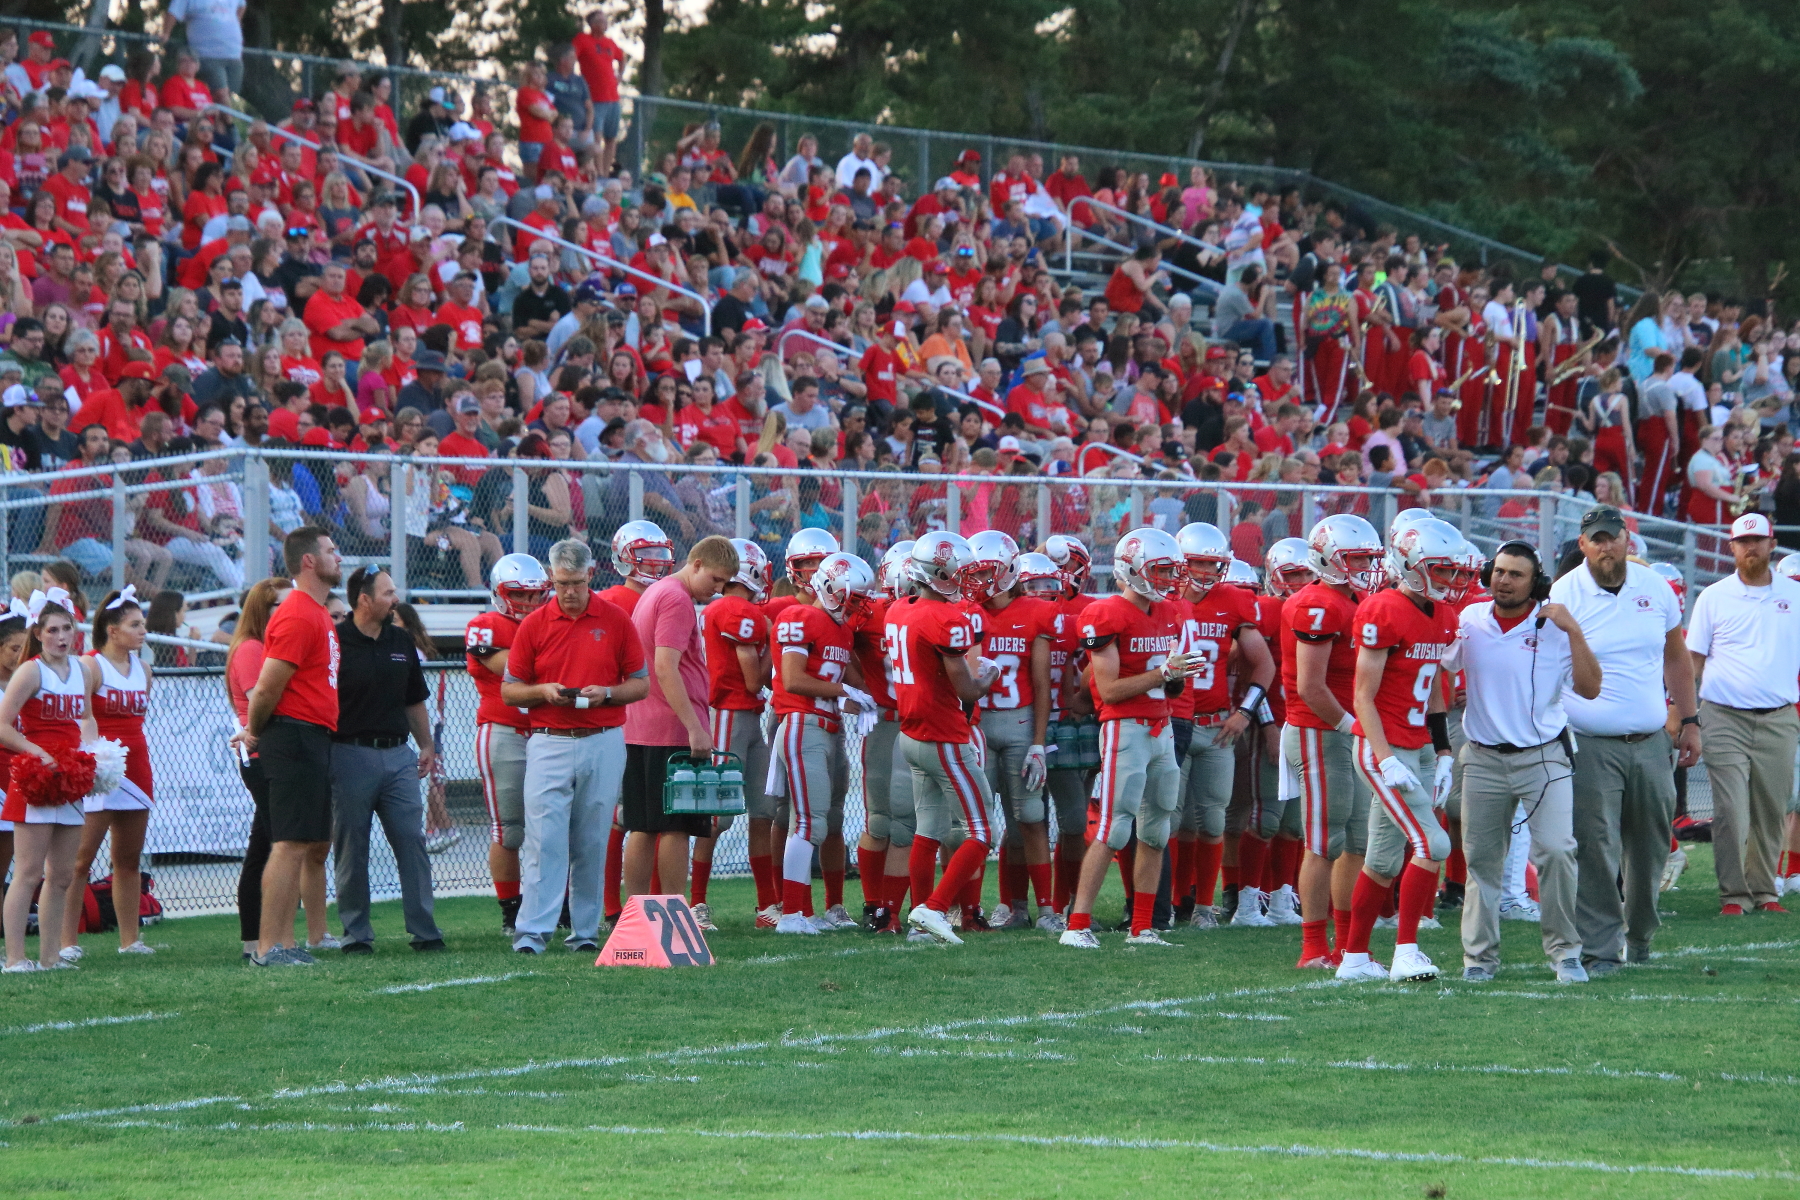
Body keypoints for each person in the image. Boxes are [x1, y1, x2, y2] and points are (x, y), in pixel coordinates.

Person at [1548, 505, 1699, 976]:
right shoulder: (1564, 592)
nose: (1606, 545)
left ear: (1627, 537)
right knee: (1595, 847)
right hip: (1590, 739)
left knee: (1653, 844)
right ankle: (1601, 948)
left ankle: (1640, 934)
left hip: (1653, 738)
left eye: (1613, 536)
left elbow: (1676, 657)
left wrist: (1689, 718)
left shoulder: (1653, 586)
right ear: (1583, 544)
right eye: (1597, 539)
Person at [1450, 541, 1602, 983]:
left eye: (1516, 574)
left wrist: (1573, 630)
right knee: (1481, 860)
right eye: (1498, 571)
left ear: (1536, 582)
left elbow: (1591, 689)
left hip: (1544, 757)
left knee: (1557, 850)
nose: (1504, 580)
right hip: (1481, 755)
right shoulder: (1469, 620)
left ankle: (1565, 952)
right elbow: (1440, 667)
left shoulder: (1556, 627)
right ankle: (1478, 959)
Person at [1335, 518, 1474, 984]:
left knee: (1383, 858)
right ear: (1410, 565)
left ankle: (1354, 958)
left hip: (1418, 745)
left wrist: (1444, 752)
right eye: (1439, 569)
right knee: (1433, 842)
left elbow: (1434, 688)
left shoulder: (1444, 616)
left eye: (1453, 570)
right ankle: (1406, 951)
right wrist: (1386, 757)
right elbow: (1362, 697)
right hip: (1383, 746)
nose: (1450, 579)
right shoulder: (1382, 610)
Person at [500, 537, 648, 956]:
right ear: (551, 578)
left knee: (592, 838)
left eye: (576, 583)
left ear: (591, 576)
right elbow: (510, 691)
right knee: (544, 838)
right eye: (562, 583)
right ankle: (532, 932)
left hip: (602, 738)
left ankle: (585, 932)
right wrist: (543, 691)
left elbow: (641, 684)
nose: (569, 592)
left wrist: (609, 693)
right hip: (549, 739)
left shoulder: (617, 620)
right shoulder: (533, 624)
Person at [1059, 528, 1198, 948]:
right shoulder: (1106, 614)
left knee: (1156, 829)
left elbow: (1166, 685)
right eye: (1160, 570)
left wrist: (1175, 677)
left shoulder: (1170, 612)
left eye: (1171, 571)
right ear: (1132, 569)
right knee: (1115, 828)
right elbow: (1111, 690)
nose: (1168, 580)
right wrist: (1164, 674)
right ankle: (1077, 924)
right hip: (1125, 729)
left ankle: (1142, 926)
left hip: (1162, 726)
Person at [230, 527, 344, 967]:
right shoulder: (297, 612)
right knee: (288, 842)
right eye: (331, 551)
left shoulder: (314, 612)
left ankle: (286, 943)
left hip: (310, 734)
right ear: (310, 561)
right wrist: (255, 729)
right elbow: (267, 687)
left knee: (301, 841)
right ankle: (268, 947)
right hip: (292, 733)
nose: (339, 556)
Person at [1280, 514, 1385, 968]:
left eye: (1368, 557)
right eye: (1357, 557)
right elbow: (1310, 686)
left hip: (1349, 730)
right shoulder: (1316, 603)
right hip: (1319, 731)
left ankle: (1347, 947)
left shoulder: (1357, 598)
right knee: (1323, 842)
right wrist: (1350, 726)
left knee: (1358, 842)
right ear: (1327, 559)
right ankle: (1312, 948)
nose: (1366, 565)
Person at [1685, 513, 1800, 915]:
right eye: (1742, 541)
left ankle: (1765, 891)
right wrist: (1684, 713)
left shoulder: (1794, 594)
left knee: (1772, 807)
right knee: (1731, 807)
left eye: (1758, 540)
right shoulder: (1713, 596)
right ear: (1731, 547)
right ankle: (1733, 894)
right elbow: (1693, 659)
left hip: (1780, 715)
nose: (1750, 547)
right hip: (1724, 714)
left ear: (1772, 544)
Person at [887, 533, 998, 946]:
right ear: (940, 573)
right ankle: (933, 908)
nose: (965, 580)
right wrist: (988, 676)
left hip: (912, 734)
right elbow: (968, 691)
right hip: (944, 736)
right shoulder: (947, 620)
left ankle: (920, 920)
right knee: (980, 831)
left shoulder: (898, 608)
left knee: (928, 829)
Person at [327, 566, 443, 954]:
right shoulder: (336, 641)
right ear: (364, 600)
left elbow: (414, 698)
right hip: (348, 753)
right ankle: (356, 934)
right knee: (351, 846)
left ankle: (425, 931)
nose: (395, 599)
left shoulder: (400, 640)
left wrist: (426, 745)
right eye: (388, 593)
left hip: (397, 756)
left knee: (412, 841)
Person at [1170, 523, 1276, 927]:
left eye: (1214, 564)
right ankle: (1173, 901)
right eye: (1198, 562)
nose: (1206, 572)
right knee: (1171, 818)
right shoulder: (1162, 600)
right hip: (1173, 721)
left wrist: (1244, 712)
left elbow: (1263, 665)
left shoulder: (1232, 599)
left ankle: (1203, 908)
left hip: (1216, 725)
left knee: (1213, 820)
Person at [622, 536, 737, 904]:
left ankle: (636, 914)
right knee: (676, 825)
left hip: (641, 727)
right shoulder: (676, 598)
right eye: (716, 580)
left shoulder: (655, 593)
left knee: (641, 826)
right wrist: (694, 726)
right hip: (670, 729)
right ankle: (673, 910)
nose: (718, 590)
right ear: (697, 563)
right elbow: (665, 667)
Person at [769, 551, 874, 934]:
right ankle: (793, 914)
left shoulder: (841, 630)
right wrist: (844, 689)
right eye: (855, 599)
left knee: (825, 821)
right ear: (831, 589)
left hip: (828, 728)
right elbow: (794, 680)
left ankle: (809, 912)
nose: (858, 608)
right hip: (802, 724)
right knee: (806, 823)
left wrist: (860, 702)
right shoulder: (799, 617)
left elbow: (842, 685)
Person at [964, 532, 1058, 930]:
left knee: (1031, 818)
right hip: (977, 726)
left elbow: (1041, 685)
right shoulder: (965, 611)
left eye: (986, 571)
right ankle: (989, 908)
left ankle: (1048, 910)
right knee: (978, 823)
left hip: (1019, 723)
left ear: (1006, 571)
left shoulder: (1035, 611)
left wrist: (1038, 743)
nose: (978, 579)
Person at [59, 588, 159, 961]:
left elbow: (138, 721)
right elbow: (82, 717)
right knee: (81, 858)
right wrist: (95, 758)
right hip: (100, 767)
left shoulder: (144, 670)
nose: (143, 631)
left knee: (129, 859)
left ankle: (130, 940)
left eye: (143, 624)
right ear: (112, 630)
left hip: (137, 766)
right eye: (135, 625)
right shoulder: (91, 665)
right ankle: (67, 940)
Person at [0, 593, 97, 972]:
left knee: (61, 874)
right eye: (52, 630)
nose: (61, 636)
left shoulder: (83, 671)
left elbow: (86, 718)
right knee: (27, 872)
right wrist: (36, 752)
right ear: (38, 634)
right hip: (37, 778)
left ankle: (50, 957)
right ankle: (15, 959)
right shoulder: (30, 671)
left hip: (70, 778)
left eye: (66, 628)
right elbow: (3, 725)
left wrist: (94, 753)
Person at [466, 553, 551, 937]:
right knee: (509, 830)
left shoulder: (550, 622)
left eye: (536, 595)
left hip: (549, 733)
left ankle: (555, 905)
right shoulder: (484, 626)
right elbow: (513, 670)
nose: (530, 603)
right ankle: (510, 912)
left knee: (552, 827)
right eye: (521, 594)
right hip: (504, 731)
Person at [701, 539, 773, 930]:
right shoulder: (734, 609)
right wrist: (775, 644)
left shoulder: (732, 608)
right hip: (730, 714)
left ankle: (767, 905)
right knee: (716, 816)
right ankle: (695, 903)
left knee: (763, 812)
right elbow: (750, 680)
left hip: (747, 718)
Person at [162, 0, 246, 100]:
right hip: (207, 54)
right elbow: (173, 11)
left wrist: (236, 21)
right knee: (221, 94)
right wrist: (166, 33)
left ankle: (219, 115)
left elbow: (241, 5)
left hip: (234, 53)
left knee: (231, 97)